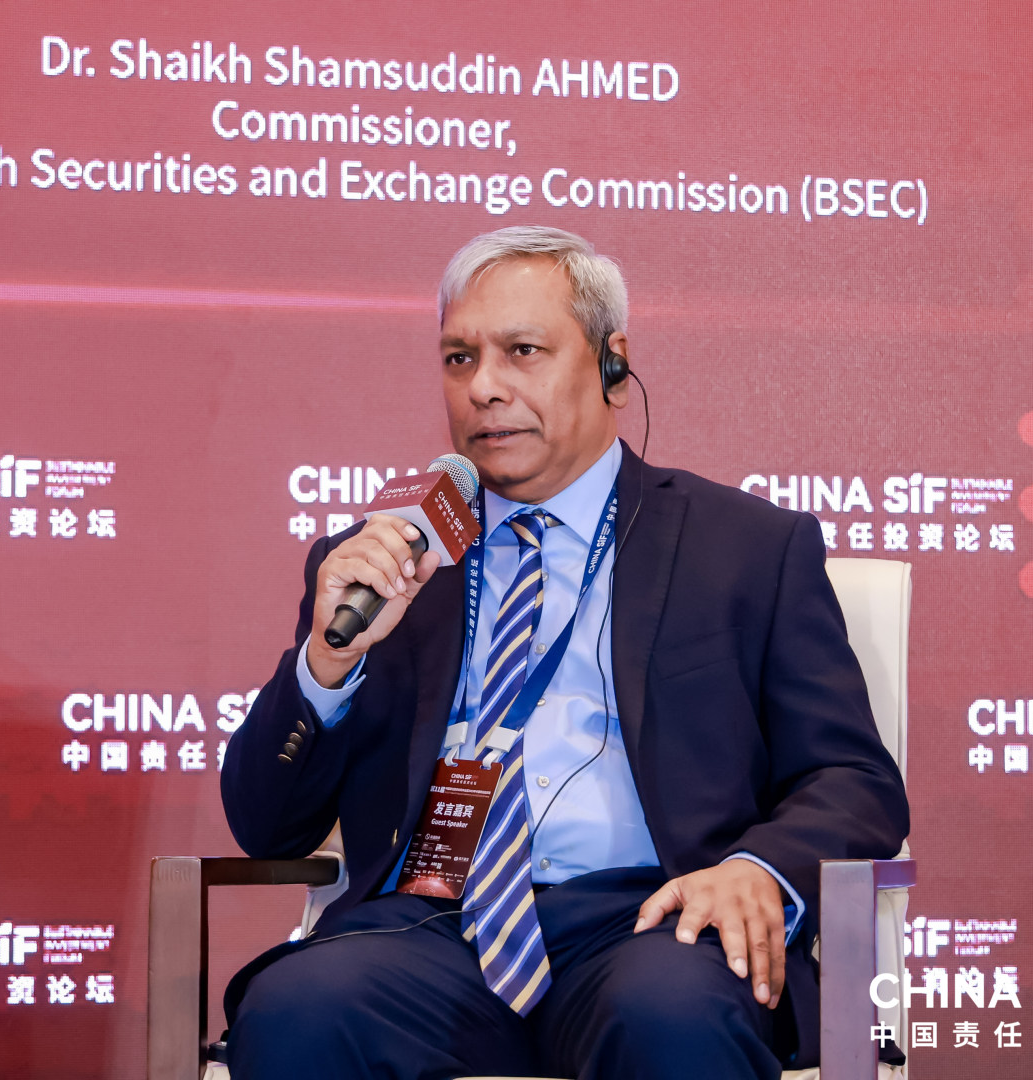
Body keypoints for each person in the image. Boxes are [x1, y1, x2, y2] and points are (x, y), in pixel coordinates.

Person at [219, 225, 908, 1079]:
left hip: (654, 918)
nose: (484, 387)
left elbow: (853, 778)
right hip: (430, 929)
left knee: (672, 1016)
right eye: (460, 359)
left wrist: (756, 868)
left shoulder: (746, 548)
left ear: (613, 365)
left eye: (523, 351)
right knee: (297, 1009)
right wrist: (328, 668)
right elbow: (267, 826)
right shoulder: (388, 561)